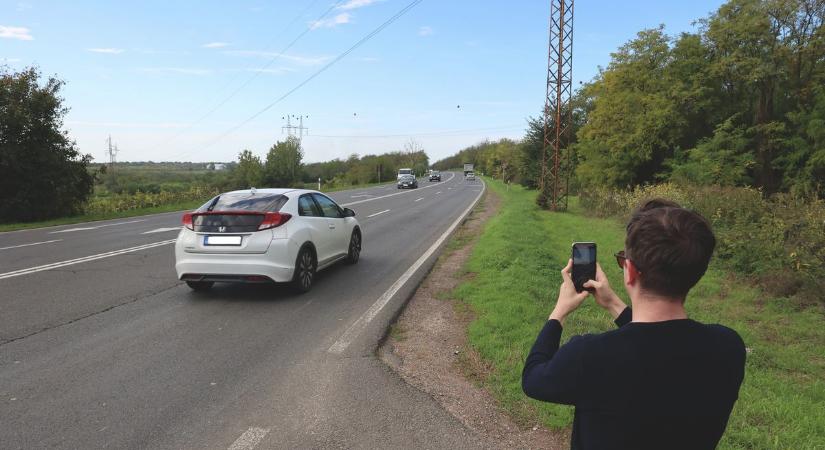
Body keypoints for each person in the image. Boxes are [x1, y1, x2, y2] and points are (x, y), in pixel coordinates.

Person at [522, 199, 746, 450]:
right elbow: (659, 345)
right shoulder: (728, 347)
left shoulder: (591, 356)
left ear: (629, 271)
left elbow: (533, 379)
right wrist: (613, 304)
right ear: (697, 272)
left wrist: (559, 311)